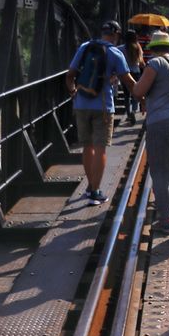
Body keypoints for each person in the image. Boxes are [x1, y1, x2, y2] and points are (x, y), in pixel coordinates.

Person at [66, 20, 136, 205]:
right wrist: (144, 98)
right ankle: (96, 191)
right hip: (103, 106)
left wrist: (73, 92)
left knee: (87, 147)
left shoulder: (84, 47)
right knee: (100, 148)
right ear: (116, 34)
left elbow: (70, 75)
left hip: (81, 105)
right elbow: (128, 81)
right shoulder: (115, 52)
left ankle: (90, 186)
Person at [131, 31, 169, 233]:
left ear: (153, 48)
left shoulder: (154, 64)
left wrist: (130, 81)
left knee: (160, 172)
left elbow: (138, 92)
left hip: (162, 124)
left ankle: (165, 220)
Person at [119, 28, 145, 125]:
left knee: (126, 95)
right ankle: (134, 110)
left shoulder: (120, 49)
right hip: (136, 72)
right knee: (135, 93)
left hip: (124, 74)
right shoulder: (138, 47)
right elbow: (141, 62)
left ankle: (129, 114)